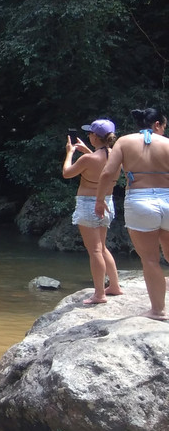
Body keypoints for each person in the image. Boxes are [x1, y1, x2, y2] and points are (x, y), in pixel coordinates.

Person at [96, 108, 169, 320]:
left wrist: (100, 200)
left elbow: (108, 173)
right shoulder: (167, 143)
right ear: (157, 124)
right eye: (164, 126)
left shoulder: (124, 142)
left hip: (139, 201)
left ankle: (158, 311)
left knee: (150, 260)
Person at [63, 119, 123, 305]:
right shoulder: (116, 156)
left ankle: (99, 294)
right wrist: (88, 151)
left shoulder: (87, 160)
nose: (88, 135)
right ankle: (114, 286)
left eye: (90, 133)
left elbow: (67, 173)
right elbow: (102, 167)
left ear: (95, 137)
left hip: (89, 204)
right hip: (107, 202)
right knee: (102, 248)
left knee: (95, 250)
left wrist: (70, 153)